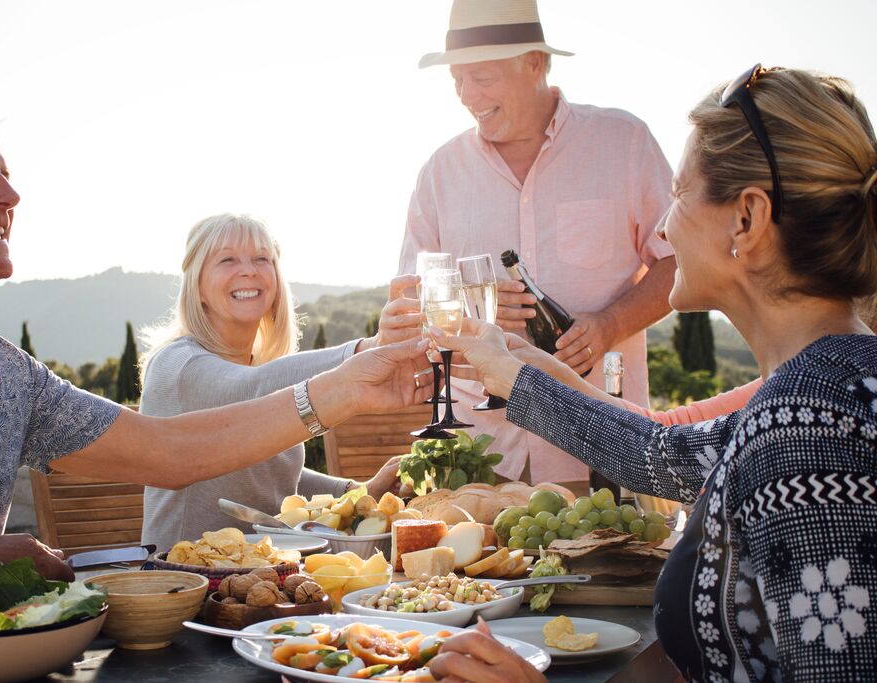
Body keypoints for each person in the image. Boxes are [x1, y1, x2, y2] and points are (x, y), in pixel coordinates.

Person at [0, 96, 432, 584]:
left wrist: (350, 422)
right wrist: (354, 364)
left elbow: (170, 453)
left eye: (4, 174)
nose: (10, 195)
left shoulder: (5, 371)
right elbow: (233, 405)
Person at [431, 66, 877, 681]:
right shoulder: (823, 391)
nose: (663, 226)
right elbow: (662, 455)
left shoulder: (808, 429)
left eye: (680, 194)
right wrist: (523, 374)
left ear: (747, 219)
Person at [398, 0, 676, 484]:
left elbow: (679, 264)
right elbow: (409, 297)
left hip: (600, 443)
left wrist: (610, 324)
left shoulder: (624, 142)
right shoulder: (439, 172)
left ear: (534, 62)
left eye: (481, 77)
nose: (466, 94)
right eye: (457, 79)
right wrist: (474, 309)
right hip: (477, 453)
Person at [139, 213, 420, 547]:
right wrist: (369, 349)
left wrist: (357, 491)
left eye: (262, 259)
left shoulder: (262, 370)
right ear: (197, 286)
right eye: (227, 259)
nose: (249, 270)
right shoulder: (177, 365)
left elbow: (273, 474)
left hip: (261, 568)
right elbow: (249, 388)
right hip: (181, 573)